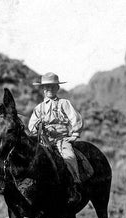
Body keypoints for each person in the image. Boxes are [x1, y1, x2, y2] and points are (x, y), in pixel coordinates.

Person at [28, 72, 84, 205]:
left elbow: (75, 118)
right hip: (44, 141)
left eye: (53, 87)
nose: (50, 90)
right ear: (43, 89)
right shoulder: (39, 108)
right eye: (46, 87)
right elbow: (31, 126)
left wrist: (74, 135)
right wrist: (38, 127)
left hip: (61, 140)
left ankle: (75, 186)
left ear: (57, 88)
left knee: (69, 157)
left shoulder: (64, 103)